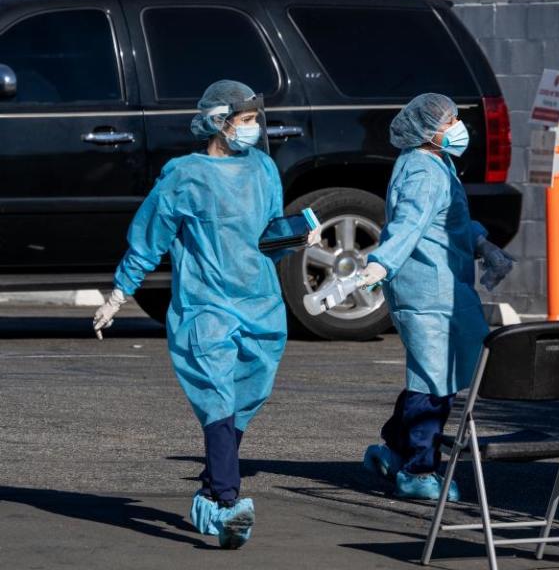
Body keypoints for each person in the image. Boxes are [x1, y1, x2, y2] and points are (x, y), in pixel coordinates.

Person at [91, 80, 320, 548]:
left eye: (256, 119)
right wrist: (119, 293)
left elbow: (268, 237)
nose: (255, 128)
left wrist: (296, 237)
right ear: (220, 121)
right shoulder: (184, 175)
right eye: (247, 120)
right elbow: (149, 235)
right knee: (216, 398)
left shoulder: (263, 168)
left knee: (246, 399)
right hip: (206, 306)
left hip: (261, 304)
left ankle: (210, 491)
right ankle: (228, 503)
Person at [357, 93, 515, 501]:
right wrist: (381, 264)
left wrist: (483, 245)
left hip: (442, 286)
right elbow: (408, 225)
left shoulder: (437, 164)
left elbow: (450, 221)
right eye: (449, 123)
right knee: (433, 381)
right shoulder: (424, 172)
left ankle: (394, 448)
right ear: (427, 130)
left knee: (434, 376)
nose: (458, 129)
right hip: (424, 287)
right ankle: (418, 469)